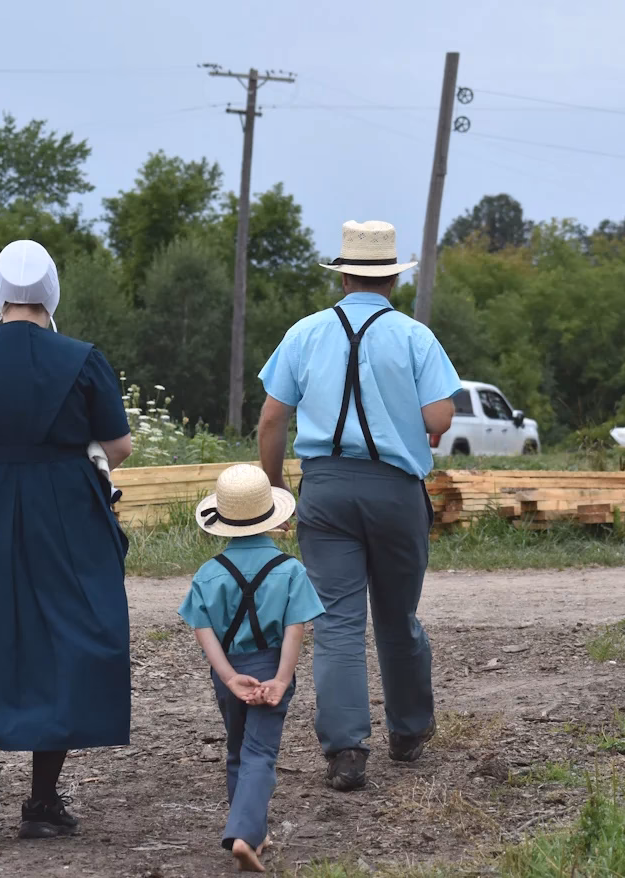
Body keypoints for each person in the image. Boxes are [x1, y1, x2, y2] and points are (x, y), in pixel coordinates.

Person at [0, 239, 133, 840]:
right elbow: (118, 446)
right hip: (64, 507)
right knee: (73, 633)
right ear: (51, 292)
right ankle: (42, 803)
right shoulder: (82, 357)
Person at [256, 220, 461, 792]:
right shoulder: (415, 336)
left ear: (344, 274)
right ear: (393, 277)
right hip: (395, 491)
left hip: (325, 490)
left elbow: (272, 419)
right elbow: (440, 419)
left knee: (339, 623)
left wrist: (276, 490)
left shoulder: (304, 333)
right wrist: (403, 417)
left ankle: (346, 751)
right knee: (397, 616)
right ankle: (408, 731)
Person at [179, 464, 325, 873]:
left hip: (229, 673)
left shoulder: (208, 574)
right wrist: (279, 678)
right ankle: (246, 836)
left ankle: (250, 830)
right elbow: (296, 628)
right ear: (271, 518)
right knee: (261, 751)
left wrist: (228, 676)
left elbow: (202, 630)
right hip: (270, 664)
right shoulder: (290, 570)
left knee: (237, 749)